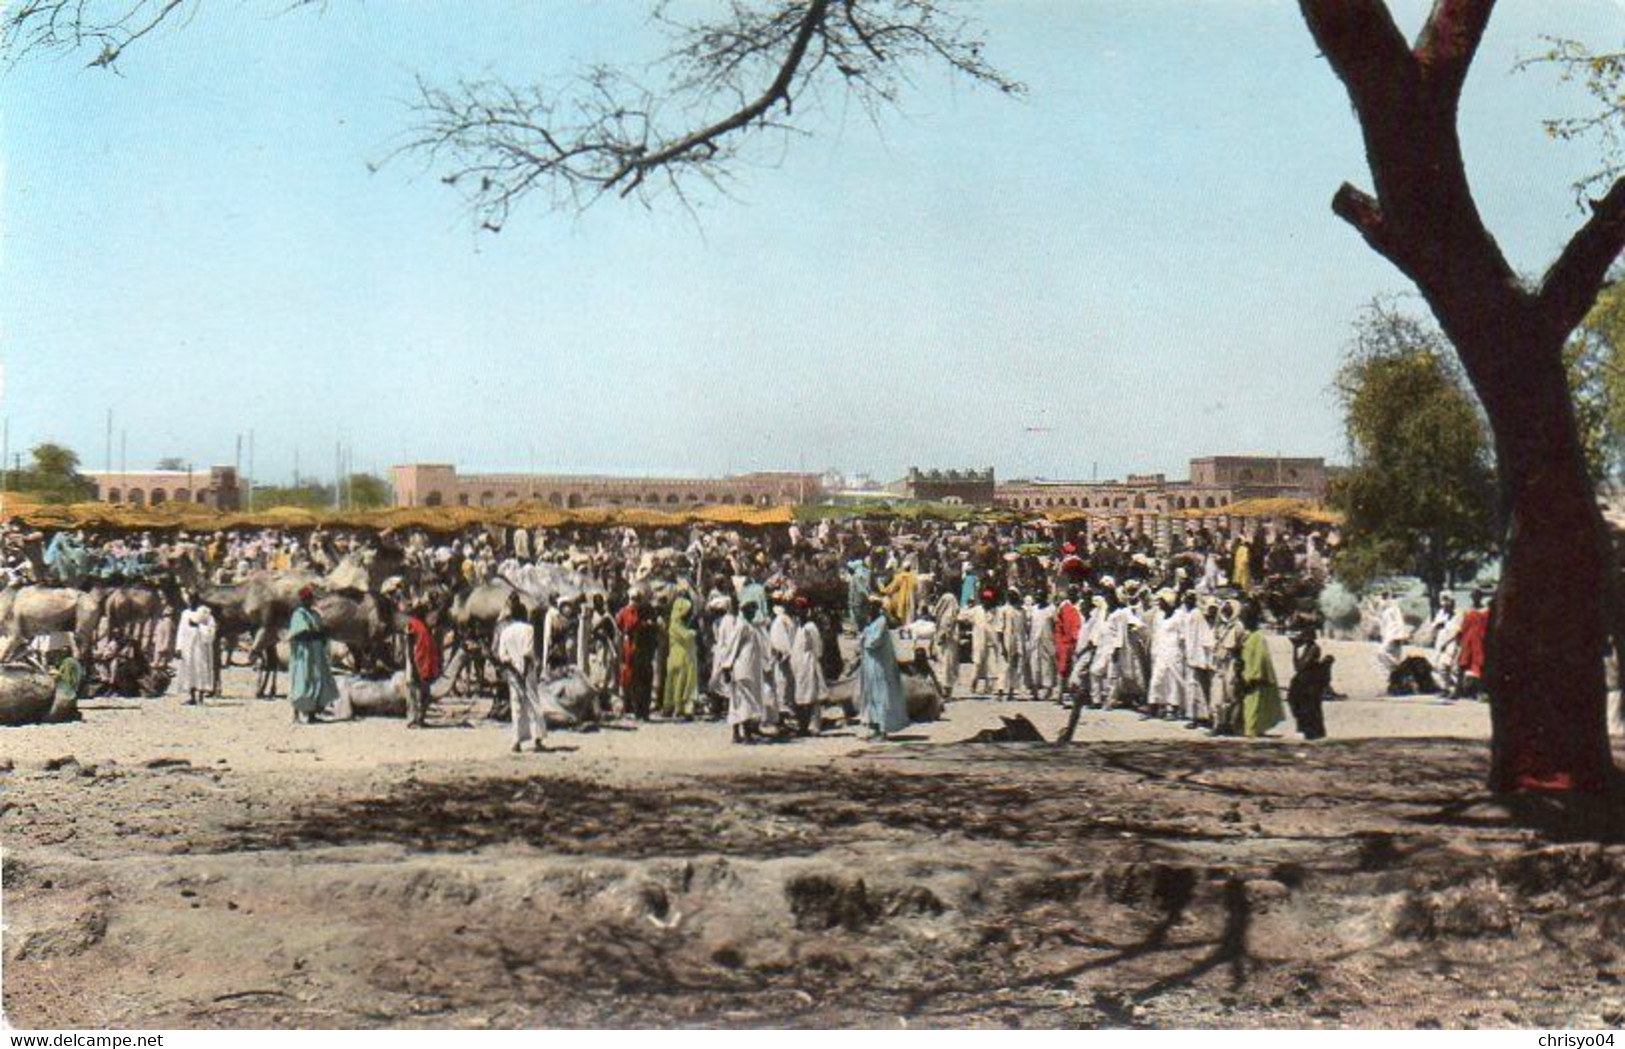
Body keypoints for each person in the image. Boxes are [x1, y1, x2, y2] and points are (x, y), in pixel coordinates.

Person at [496, 596, 547, 752]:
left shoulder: (505, 632)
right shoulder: (528, 629)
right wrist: (524, 673)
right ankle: (537, 739)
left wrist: (514, 672)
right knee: (532, 704)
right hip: (527, 671)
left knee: (516, 705)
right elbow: (527, 653)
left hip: (512, 672)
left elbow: (502, 656)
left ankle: (516, 741)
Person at [858, 598, 909, 741]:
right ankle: (873, 727)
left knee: (880, 696)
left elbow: (873, 642)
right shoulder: (871, 623)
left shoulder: (881, 622)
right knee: (871, 696)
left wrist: (864, 635)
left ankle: (882, 730)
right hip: (869, 665)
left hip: (879, 666)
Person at [287, 586, 339, 724]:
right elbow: (300, 633)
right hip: (304, 654)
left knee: (317, 681)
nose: (310, 601)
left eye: (311, 599)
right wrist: (318, 634)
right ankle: (296, 714)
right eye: (307, 599)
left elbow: (321, 630)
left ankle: (312, 715)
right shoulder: (299, 614)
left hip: (316, 653)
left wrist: (323, 633)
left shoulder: (315, 614)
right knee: (302, 681)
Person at [723, 599, 769, 743]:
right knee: (744, 702)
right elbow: (732, 646)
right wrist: (726, 666)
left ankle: (738, 734)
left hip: (750, 668)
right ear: (744, 611)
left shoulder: (750, 627)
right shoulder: (741, 626)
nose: (754, 613)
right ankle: (746, 734)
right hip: (742, 668)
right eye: (751, 610)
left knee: (739, 701)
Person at [1237, 602, 1284, 738]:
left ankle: (1251, 731)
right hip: (1245, 673)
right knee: (1249, 703)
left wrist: (1254, 676)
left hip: (1254, 676)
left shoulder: (1258, 637)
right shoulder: (1247, 636)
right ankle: (1252, 729)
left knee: (1255, 703)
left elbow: (1260, 658)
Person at [789, 597, 830, 734]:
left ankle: (814, 725)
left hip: (809, 663)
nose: (799, 612)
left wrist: (815, 660)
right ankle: (803, 724)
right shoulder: (798, 627)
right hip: (799, 666)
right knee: (801, 695)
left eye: (801, 609)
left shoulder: (810, 627)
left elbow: (818, 647)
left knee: (813, 695)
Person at [1286, 624, 1331, 740]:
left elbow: (1302, 666)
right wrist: (1295, 649)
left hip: (1308, 683)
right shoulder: (1307, 648)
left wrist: (1295, 648)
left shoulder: (1314, 648)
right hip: (1304, 682)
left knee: (1308, 708)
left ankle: (1311, 731)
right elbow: (1297, 666)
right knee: (1302, 706)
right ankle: (1308, 730)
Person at [173, 597, 217, 705]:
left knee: (200, 669)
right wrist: (178, 647)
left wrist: (199, 626)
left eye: (194, 600)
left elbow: (212, 628)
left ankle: (201, 697)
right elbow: (181, 630)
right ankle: (192, 697)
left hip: (200, 646)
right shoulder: (185, 613)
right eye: (189, 599)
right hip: (187, 646)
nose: (191, 602)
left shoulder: (205, 612)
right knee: (189, 670)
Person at [403, 601, 440, 729]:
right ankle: (413, 720)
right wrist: (412, 665)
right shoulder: (411, 625)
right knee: (413, 693)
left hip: (425, 665)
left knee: (424, 693)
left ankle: (421, 719)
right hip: (415, 664)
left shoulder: (425, 627)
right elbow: (409, 645)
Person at [662, 594, 700, 719]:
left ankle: (684, 707)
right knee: (677, 683)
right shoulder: (675, 625)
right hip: (679, 656)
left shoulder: (681, 624)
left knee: (685, 682)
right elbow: (686, 636)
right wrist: (694, 632)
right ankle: (675, 708)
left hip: (687, 657)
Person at [1456, 589, 1489, 699]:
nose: (1475, 598)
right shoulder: (1467, 610)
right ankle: (1458, 690)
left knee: (1479, 665)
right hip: (1467, 640)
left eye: (1477, 596)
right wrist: (1459, 637)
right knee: (1462, 664)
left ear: (1481, 597)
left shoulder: (1486, 611)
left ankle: (1481, 691)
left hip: (1480, 641)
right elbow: (1463, 625)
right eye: (1473, 596)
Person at [1025, 590, 1058, 701]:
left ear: (1045, 596)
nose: (1038, 597)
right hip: (1034, 640)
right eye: (1037, 595)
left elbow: (1056, 625)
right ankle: (1034, 690)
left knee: (1047, 666)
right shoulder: (1034, 609)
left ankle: (1048, 690)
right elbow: (1030, 625)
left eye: (1040, 595)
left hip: (1047, 640)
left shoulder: (1052, 609)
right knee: (1034, 665)